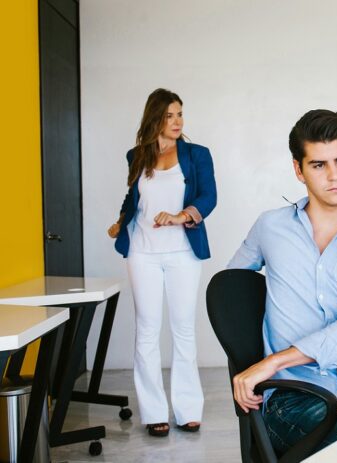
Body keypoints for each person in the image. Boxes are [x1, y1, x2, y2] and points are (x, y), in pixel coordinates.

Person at [227, 109, 337, 454]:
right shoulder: (271, 227)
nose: (334, 175)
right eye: (318, 165)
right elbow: (229, 291)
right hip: (293, 399)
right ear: (299, 170)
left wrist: (272, 360)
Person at [108, 88, 217, 437]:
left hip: (183, 253)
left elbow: (208, 196)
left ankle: (187, 411)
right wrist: (120, 220)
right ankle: (153, 412)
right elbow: (134, 195)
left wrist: (181, 216)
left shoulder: (197, 154)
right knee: (147, 330)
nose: (177, 122)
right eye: (169, 115)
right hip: (142, 252)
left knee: (184, 329)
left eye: (180, 114)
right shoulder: (136, 155)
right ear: (154, 117)